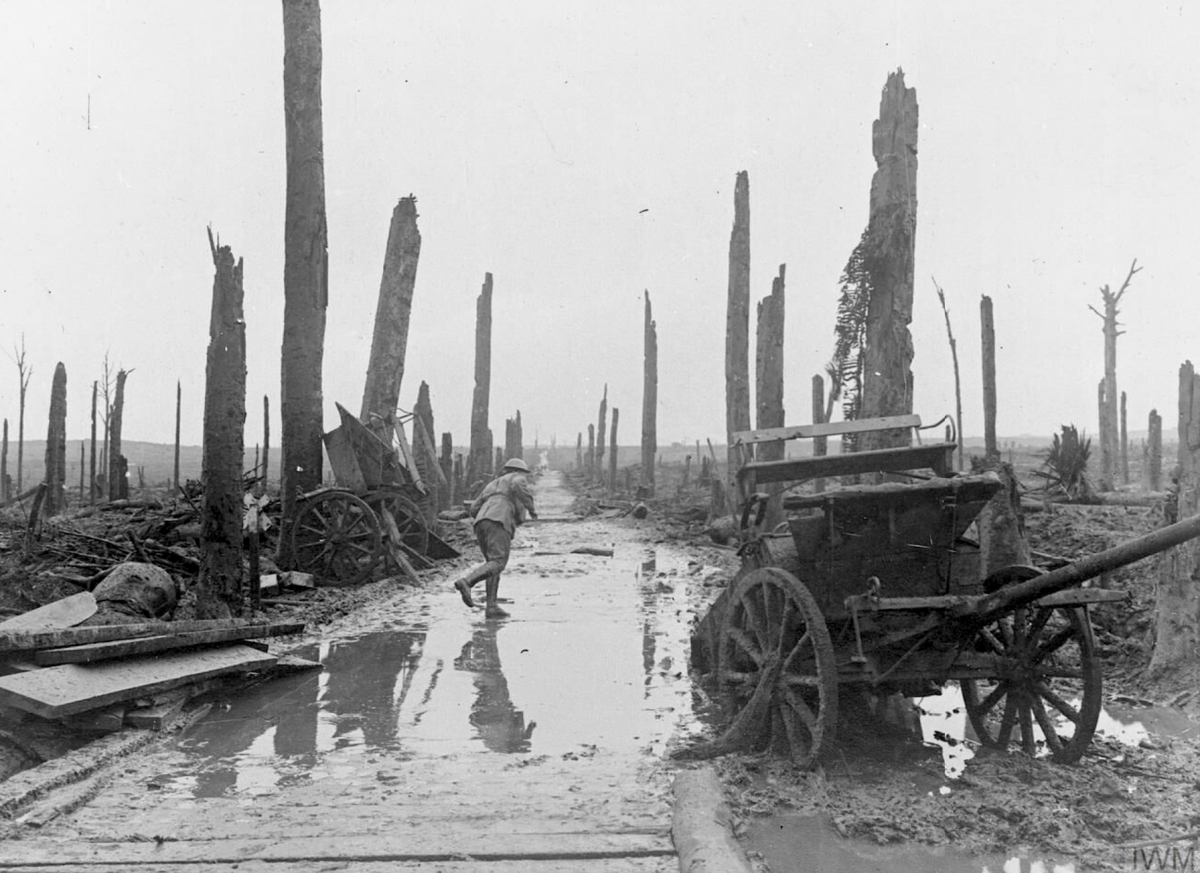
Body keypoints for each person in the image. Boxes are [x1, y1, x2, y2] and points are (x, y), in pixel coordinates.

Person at [454, 458, 538, 618]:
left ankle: (491, 606)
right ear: (518, 471)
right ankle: (467, 582)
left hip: (481, 522)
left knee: (492, 564)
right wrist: (532, 510)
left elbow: (474, 508)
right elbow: (519, 487)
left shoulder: (491, 485)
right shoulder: (516, 478)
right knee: (498, 562)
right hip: (499, 519)